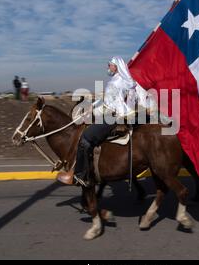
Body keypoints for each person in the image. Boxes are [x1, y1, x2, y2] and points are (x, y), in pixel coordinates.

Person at [57, 56, 138, 187]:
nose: (108, 67)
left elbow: (121, 99)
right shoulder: (115, 80)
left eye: (110, 64)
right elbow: (106, 100)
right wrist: (92, 107)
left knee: (85, 138)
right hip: (107, 114)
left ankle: (80, 175)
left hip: (113, 117)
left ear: (116, 66)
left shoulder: (122, 81)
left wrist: (126, 112)